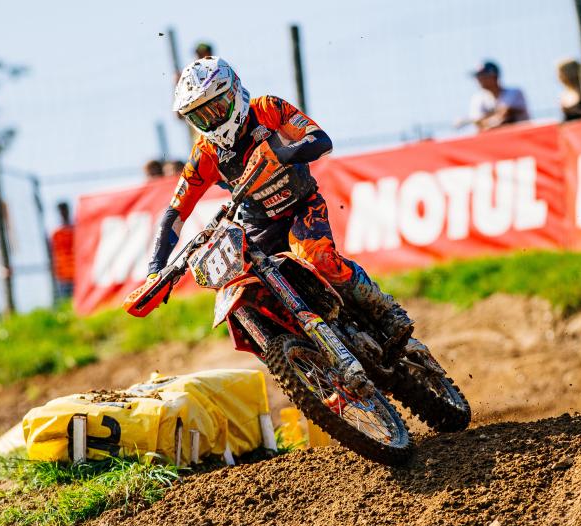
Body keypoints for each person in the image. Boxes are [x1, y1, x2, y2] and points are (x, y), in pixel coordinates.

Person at [147, 57, 413, 373]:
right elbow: (176, 211)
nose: (211, 120)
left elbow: (321, 141)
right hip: (258, 225)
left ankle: (385, 311)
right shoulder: (205, 152)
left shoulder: (268, 109)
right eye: (200, 116)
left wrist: (280, 153)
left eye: (215, 108)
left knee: (319, 258)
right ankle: (306, 366)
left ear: (232, 94)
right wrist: (155, 270)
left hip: (301, 206)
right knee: (245, 290)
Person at [468, 60, 529, 131]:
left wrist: (486, 121)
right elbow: (478, 123)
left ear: (494, 76)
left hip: (522, 135)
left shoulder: (514, 92)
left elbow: (504, 115)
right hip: (496, 137)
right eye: (478, 76)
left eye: (483, 75)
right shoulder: (477, 98)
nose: (479, 79)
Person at [51, 202, 75, 300]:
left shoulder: (75, 231)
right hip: (63, 274)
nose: (63, 214)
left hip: (76, 272)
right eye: (61, 211)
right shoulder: (56, 234)